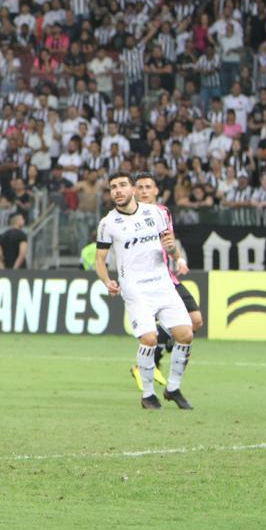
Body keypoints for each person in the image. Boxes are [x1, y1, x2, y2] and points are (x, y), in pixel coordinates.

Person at [93, 171, 195, 410]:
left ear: (133, 190)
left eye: (122, 185)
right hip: (135, 288)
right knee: (149, 338)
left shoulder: (155, 213)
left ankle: (173, 388)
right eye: (113, 187)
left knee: (186, 334)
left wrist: (176, 256)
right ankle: (148, 395)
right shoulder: (108, 223)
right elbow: (100, 259)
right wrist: (106, 280)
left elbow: (169, 246)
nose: (117, 190)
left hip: (162, 284)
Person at [131, 172, 203, 392]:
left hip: (166, 277)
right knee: (150, 333)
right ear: (134, 191)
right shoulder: (129, 215)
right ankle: (146, 364)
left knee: (196, 321)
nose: (144, 191)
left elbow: (168, 242)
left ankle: (155, 358)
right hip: (143, 283)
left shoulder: (163, 213)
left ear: (156, 191)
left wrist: (178, 258)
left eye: (148, 187)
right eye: (140, 187)